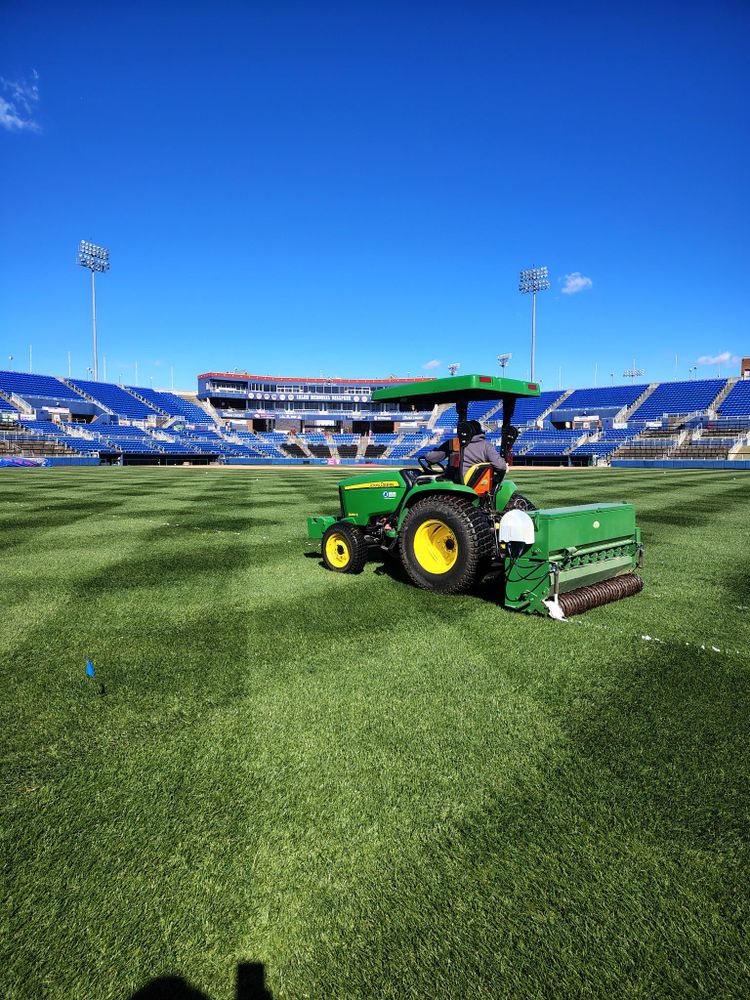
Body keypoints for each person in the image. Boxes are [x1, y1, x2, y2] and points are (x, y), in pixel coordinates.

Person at [426, 419, 507, 483]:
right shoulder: (486, 445)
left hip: (455, 483)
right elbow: (501, 466)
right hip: (477, 485)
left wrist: (433, 452)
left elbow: (431, 458)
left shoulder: (454, 443)